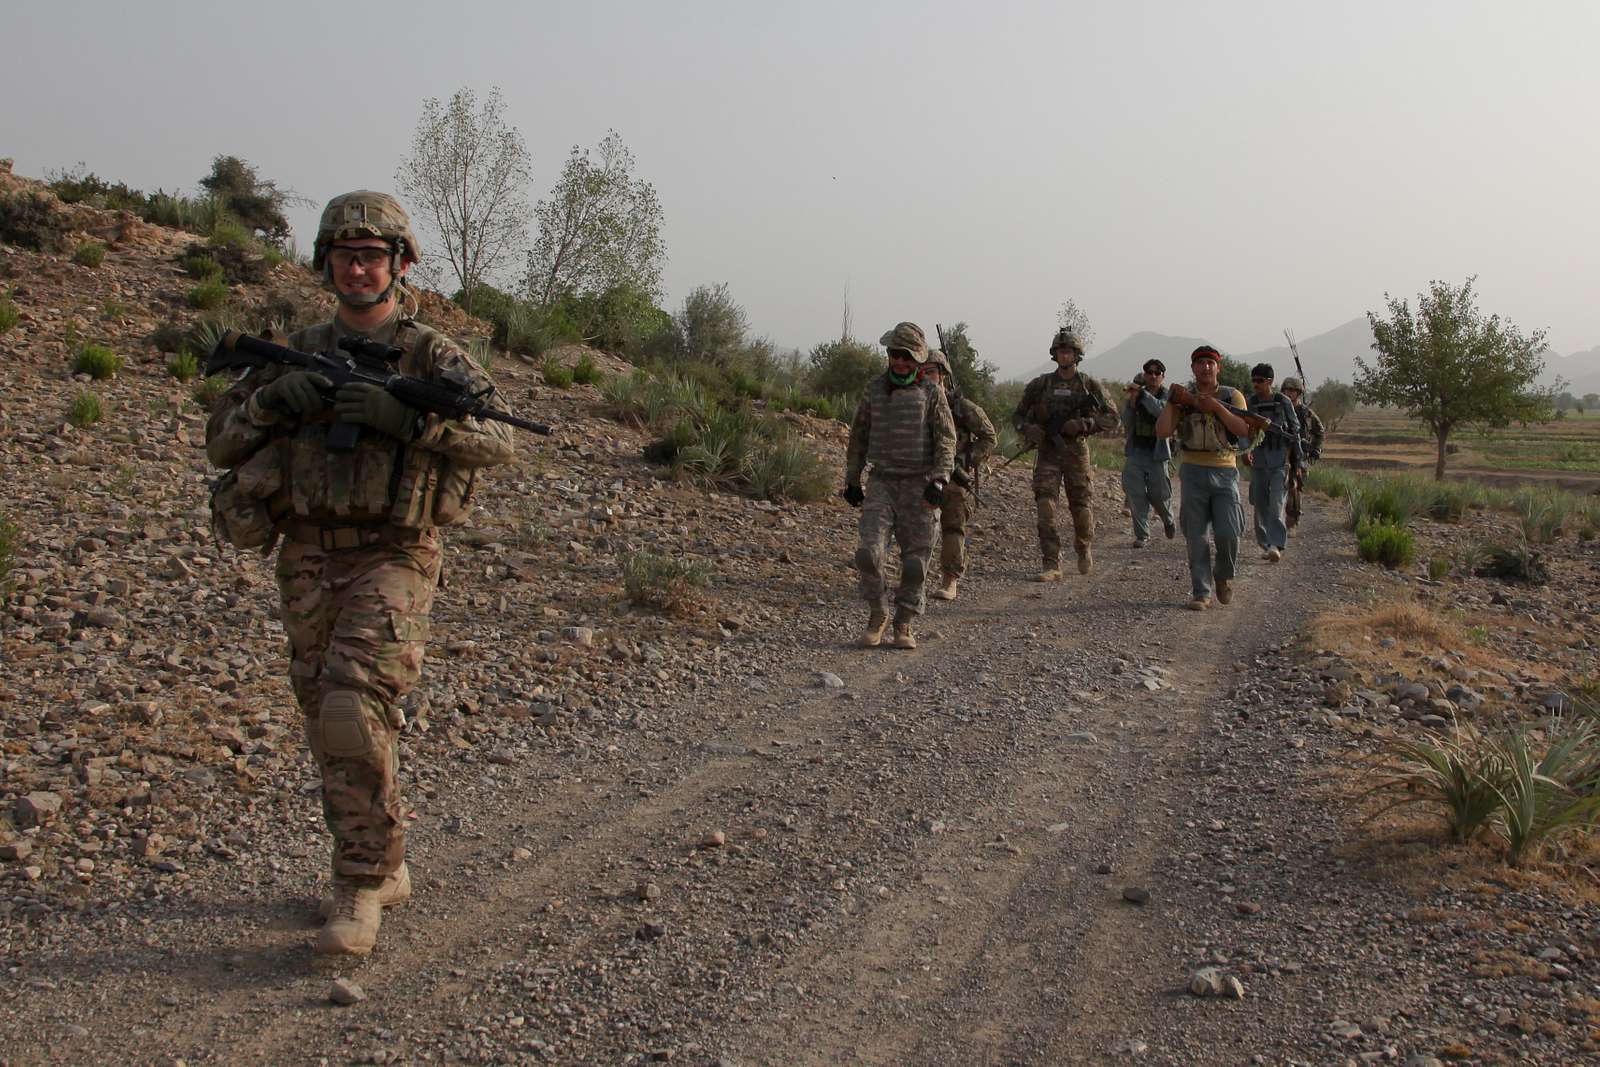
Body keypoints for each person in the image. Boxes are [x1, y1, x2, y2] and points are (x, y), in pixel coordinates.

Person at [205, 191, 517, 956]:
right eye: (344, 255)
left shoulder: (431, 353)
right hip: (307, 549)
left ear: (400, 263)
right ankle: (387, 852)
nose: (357, 267)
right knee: (327, 714)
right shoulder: (295, 346)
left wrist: (409, 419)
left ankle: (358, 877)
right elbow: (221, 441)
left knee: (350, 701)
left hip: (397, 549)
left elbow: (499, 440)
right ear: (325, 264)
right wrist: (275, 401)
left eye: (372, 255)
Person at [842, 322, 956, 649]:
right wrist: (852, 479)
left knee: (915, 562)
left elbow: (947, 441)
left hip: (921, 485)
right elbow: (858, 437)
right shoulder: (874, 390)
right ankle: (878, 613)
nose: (901, 363)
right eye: (896, 356)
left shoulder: (932, 393)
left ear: (918, 359)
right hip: (882, 482)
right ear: (889, 355)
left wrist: (939, 479)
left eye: (907, 357)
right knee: (867, 552)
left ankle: (904, 622)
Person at [1014, 329, 1120, 580]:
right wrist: (1029, 429)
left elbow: (1112, 417)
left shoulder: (1089, 385)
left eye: (1069, 351)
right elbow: (1017, 415)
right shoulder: (1040, 385)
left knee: (1081, 507)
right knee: (1045, 505)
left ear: (1077, 355)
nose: (1064, 355)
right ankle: (1051, 562)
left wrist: (1085, 425)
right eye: (1061, 351)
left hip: (1076, 451)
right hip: (1048, 451)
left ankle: (1083, 547)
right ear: (1054, 354)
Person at [1154, 345, 1251, 610]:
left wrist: (1217, 408)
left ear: (1218, 367)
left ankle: (1224, 576)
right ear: (1193, 368)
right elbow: (1162, 431)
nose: (1206, 367)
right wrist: (1173, 402)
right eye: (1201, 363)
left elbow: (1243, 430)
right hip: (1193, 471)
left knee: (1229, 533)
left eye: (1210, 363)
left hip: (1225, 471)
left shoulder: (1232, 396)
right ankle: (1201, 592)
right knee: (1196, 536)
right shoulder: (1183, 397)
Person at [920, 349, 996, 601]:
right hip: (918, 474)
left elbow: (988, 437)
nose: (926, 377)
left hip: (953, 476)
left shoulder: (961, 407)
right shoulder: (910, 401)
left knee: (952, 526)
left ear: (942, 375)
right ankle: (914, 579)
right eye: (921, 372)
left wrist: (963, 460)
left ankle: (949, 579)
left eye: (930, 371)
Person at [1241, 363, 1302, 562]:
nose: (1256, 384)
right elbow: (1244, 428)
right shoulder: (1251, 402)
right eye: (1254, 380)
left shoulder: (1282, 401)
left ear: (1270, 382)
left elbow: (1295, 432)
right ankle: (1265, 543)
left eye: (1260, 380)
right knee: (1259, 504)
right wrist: (1246, 450)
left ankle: (1275, 544)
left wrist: (1298, 462)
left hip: (1279, 461)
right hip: (1258, 460)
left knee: (1276, 505)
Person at [1121, 359, 1176, 547]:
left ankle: (1168, 520)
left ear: (1162, 377)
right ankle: (1142, 534)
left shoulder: (1167, 396)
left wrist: (1143, 395)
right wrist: (1132, 401)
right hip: (1136, 450)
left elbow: (1160, 411)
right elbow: (1126, 421)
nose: (1153, 376)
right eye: (1149, 372)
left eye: (1157, 373)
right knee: (1135, 492)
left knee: (1159, 494)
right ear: (1144, 374)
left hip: (1157, 452)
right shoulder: (1138, 395)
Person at [1281, 377, 1324, 532]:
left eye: (1292, 391)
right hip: (1282, 453)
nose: (1289, 393)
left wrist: (1315, 448)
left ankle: (1293, 518)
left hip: (1300, 455)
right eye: (1286, 390)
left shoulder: (1306, 413)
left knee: (1295, 486)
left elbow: (1319, 432)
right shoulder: (1279, 410)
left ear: (1298, 393)